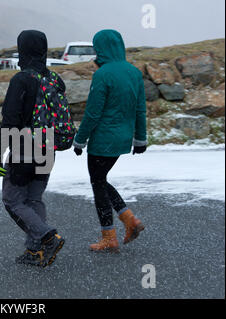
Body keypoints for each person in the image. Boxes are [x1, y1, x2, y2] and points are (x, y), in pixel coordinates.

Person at [0, 30, 65, 267]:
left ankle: (47, 237)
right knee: (34, 198)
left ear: (22, 49)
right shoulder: (55, 79)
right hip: (49, 148)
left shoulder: (21, 80)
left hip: (25, 149)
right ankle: (34, 251)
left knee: (12, 200)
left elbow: (10, 120)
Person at [73, 29, 146, 253]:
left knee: (98, 183)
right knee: (101, 180)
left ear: (101, 49)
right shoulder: (134, 73)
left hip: (103, 140)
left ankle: (110, 237)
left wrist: (80, 140)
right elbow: (140, 109)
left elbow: (93, 114)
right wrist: (140, 139)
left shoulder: (103, 74)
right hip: (123, 138)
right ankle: (128, 220)